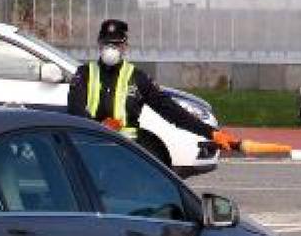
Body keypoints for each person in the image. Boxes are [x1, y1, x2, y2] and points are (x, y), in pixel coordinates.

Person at [68, 19, 238, 154]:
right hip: (88, 151)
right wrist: (100, 128)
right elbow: (75, 111)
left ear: (125, 47)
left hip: (125, 153)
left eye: (116, 44)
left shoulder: (138, 78)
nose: (111, 49)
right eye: (107, 44)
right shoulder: (84, 74)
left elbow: (171, 111)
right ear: (99, 44)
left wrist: (210, 132)